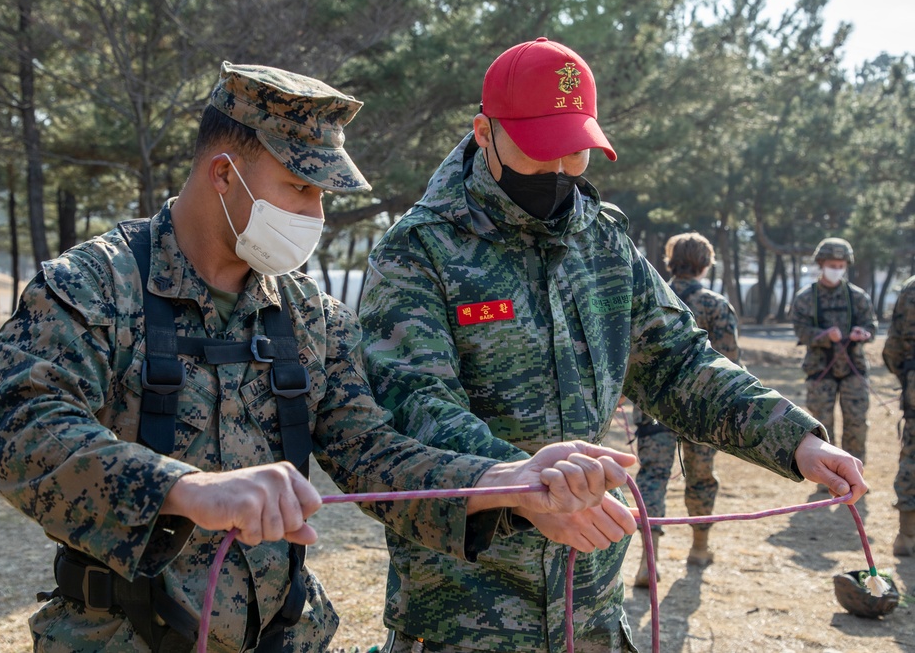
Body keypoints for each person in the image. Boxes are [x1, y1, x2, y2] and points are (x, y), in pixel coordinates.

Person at [0, 62, 641, 653]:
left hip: (285, 633)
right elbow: (21, 432)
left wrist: (506, 481)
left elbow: (374, 456)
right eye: (299, 187)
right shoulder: (93, 286)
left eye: (324, 194)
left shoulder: (311, 319)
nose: (315, 212)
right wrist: (189, 490)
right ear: (223, 173)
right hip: (117, 634)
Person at [357, 37, 867, 653]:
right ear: (484, 133)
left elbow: (678, 361)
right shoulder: (418, 252)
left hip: (588, 600)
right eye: (541, 151)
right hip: (467, 610)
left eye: (576, 153)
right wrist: (520, 488)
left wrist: (796, 439)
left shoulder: (602, 239)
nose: (560, 171)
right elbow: (414, 408)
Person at [630, 232, 740, 588]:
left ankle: (649, 561)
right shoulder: (716, 304)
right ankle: (699, 547)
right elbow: (729, 363)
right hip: (701, 412)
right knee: (701, 477)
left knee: (652, 478)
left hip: (653, 409)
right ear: (705, 264)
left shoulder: (651, 298)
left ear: (670, 260)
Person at [790, 238, 877, 464]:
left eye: (841, 266)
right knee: (820, 429)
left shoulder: (858, 297)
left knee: (856, 425)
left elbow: (871, 325)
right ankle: (825, 477)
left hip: (853, 369)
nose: (836, 270)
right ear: (821, 264)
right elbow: (800, 330)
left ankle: (855, 476)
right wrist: (824, 335)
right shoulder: (805, 298)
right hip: (820, 371)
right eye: (832, 265)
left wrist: (863, 333)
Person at [883, 274, 915, 556]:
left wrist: (907, 377)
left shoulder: (911, 287)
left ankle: (907, 535)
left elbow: (893, 348)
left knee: (912, 456)